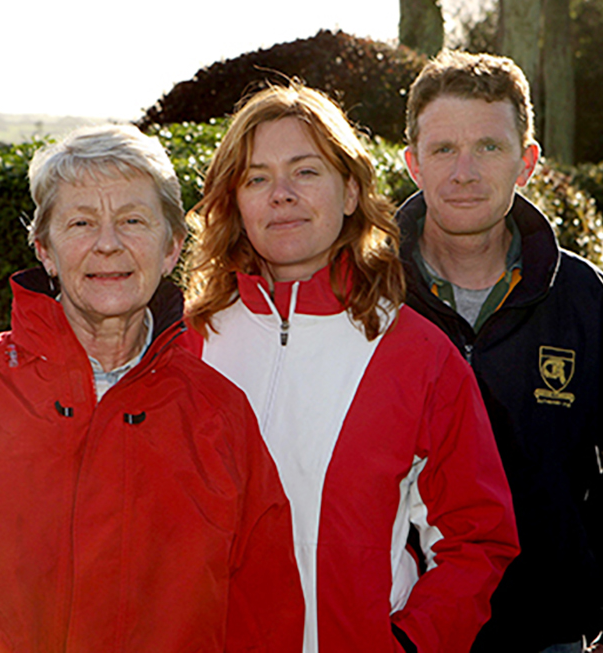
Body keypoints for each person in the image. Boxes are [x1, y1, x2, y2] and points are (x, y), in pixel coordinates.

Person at [0, 124, 304, 652]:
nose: (108, 243)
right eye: (81, 222)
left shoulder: (220, 414)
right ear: (45, 249)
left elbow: (264, 617)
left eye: (133, 220)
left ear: (171, 248)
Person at [181, 83, 520, 653]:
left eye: (305, 171)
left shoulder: (418, 355)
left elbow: (477, 538)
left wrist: (411, 645)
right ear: (234, 202)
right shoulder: (190, 346)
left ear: (350, 192)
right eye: (257, 177)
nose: (281, 194)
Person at [397, 49, 603, 653]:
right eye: (442, 150)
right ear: (412, 164)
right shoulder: (364, 302)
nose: (464, 171)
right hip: (396, 635)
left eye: (488, 146)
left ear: (527, 162)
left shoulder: (591, 307)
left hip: (550, 635)